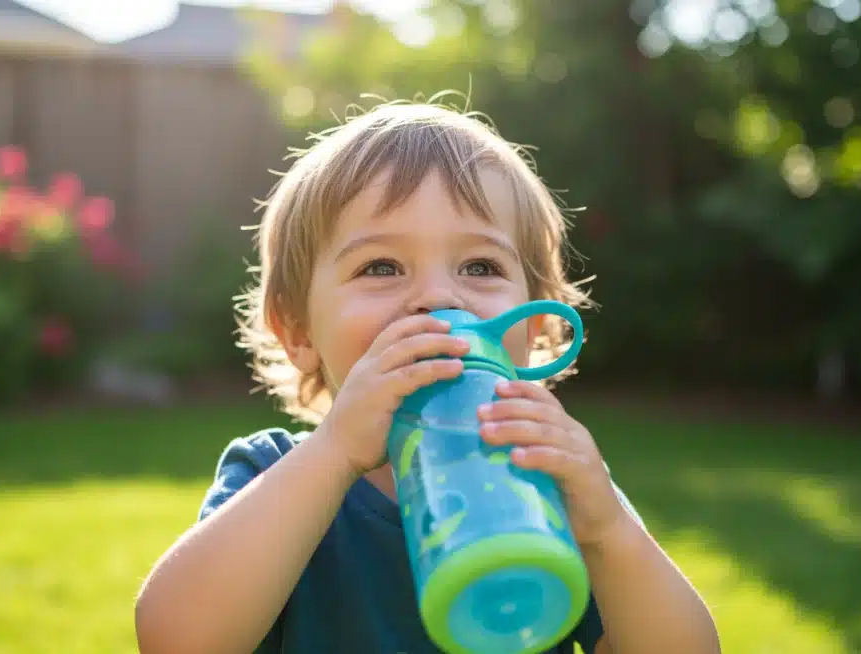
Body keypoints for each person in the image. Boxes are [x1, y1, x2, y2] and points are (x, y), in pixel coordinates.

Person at [134, 97, 719, 654]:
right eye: (382, 266)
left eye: (480, 266)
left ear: (534, 326)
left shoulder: (554, 485)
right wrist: (334, 452)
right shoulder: (273, 477)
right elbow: (176, 637)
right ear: (299, 332)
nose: (439, 297)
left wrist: (609, 533)